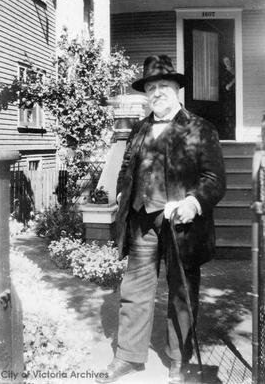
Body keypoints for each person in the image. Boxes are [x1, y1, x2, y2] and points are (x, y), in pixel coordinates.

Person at [96, 55, 226, 384]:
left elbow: (214, 178)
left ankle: (178, 360)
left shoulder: (200, 128)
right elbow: (127, 166)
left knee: (182, 290)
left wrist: (193, 202)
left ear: (177, 89)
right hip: (142, 220)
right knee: (135, 288)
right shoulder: (140, 129)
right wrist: (125, 192)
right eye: (151, 87)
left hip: (183, 225)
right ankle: (128, 356)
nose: (157, 92)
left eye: (163, 86)